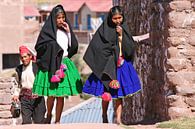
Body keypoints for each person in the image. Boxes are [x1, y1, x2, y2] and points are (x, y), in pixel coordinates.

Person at [82, 6, 148, 124]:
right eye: (115, 18)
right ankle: (104, 115)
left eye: (120, 18)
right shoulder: (103, 30)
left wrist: (122, 36)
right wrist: (109, 58)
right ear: (110, 18)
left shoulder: (124, 29)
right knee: (105, 93)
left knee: (119, 94)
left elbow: (129, 48)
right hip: (106, 67)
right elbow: (97, 48)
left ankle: (118, 119)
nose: (118, 20)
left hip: (121, 66)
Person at [32, 4, 83, 124]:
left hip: (64, 65)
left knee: (61, 95)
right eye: (58, 18)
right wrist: (53, 47)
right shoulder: (48, 32)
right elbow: (39, 47)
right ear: (54, 18)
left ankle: (58, 120)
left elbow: (73, 47)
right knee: (52, 94)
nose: (61, 20)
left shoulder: (66, 32)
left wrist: (69, 32)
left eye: (63, 17)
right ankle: (49, 115)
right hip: (52, 65)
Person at [12, 45, 46, 124]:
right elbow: (18, 84)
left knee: (39, 122)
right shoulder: (19, 69)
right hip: (25, 99)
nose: (24, 59)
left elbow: (43, 81)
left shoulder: (37, 66)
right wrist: (16, 94)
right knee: (26, 122)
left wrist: (39, 91)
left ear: (30, 56)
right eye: (22, 57)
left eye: (25, 57)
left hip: (38, 99)